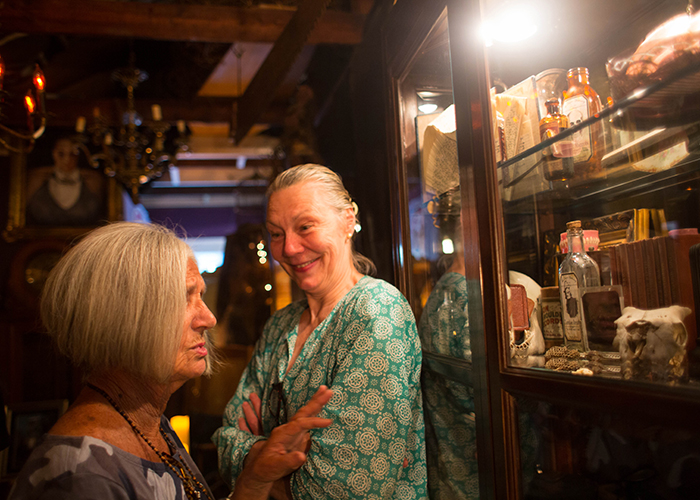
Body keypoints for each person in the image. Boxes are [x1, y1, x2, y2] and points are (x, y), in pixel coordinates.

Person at [8, 222, 334, 500]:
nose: (208, 318)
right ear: (122, 321)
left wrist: (254, 480)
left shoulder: (149, 424)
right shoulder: (78, 477)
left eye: (201, 296)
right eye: (183, 298)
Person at [213, 164, 427, 499]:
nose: (289, 249)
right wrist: (269, 458)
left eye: (305, 227)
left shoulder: (376, 309)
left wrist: (256, 468)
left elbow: (347, 489)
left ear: (346, 221)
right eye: (277, 233)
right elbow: (225, 439)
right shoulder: (280, 325)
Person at [26, 137, 104, 227]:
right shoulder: (37, 178)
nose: (67, 159)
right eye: (61, 154)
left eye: (72, 154)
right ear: (53, 153)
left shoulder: (93, 180)